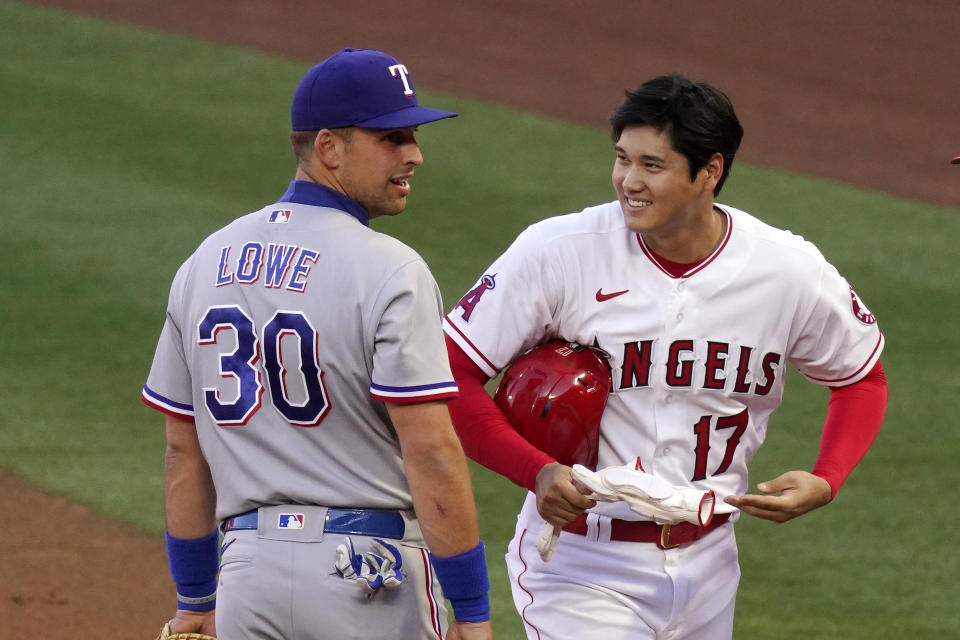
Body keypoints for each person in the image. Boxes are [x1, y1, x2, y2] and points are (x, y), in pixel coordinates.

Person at [442, 73, 887, 639]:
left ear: (710, 172)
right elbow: (448, 372)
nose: (628, 181)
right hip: (583, 564)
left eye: (652, 165)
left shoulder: (787, 270)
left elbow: (860, 378)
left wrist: (829, 477)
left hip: (710, 562)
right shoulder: (560, 252)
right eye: (622, 159)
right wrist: (536, 470)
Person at [141, 48, 492, 640]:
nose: (415, 154)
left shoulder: (206, 261)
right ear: (329, 147)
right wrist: (473, 610)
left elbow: (183, 451)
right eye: (392, 137)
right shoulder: (390, 269)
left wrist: (197, 596)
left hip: (248, 579)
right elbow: (430, 450)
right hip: (367, 579)